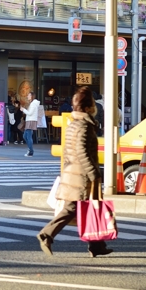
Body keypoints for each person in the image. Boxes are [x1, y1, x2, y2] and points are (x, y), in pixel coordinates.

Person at [37, 86, 111, 258]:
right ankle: (46, 234)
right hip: (81, 176)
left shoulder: (73, 123)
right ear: (87, 107)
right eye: (92, 104)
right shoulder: (84, 126)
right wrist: (94, 172)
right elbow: (82, 151)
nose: (94, 107)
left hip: (72, 172)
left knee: (91, 208)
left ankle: (97, 244)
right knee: (73, 208)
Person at [21, 91, 41, 157]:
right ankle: (30, 149)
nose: (27, 96)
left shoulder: (33, 104)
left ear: (32, 96)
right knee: (26, 136)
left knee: (28, 136)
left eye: (29, 95)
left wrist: (23, 110)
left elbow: (30, 113)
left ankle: (30, 150)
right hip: (30, 120)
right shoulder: (33, 103)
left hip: (30, 121)